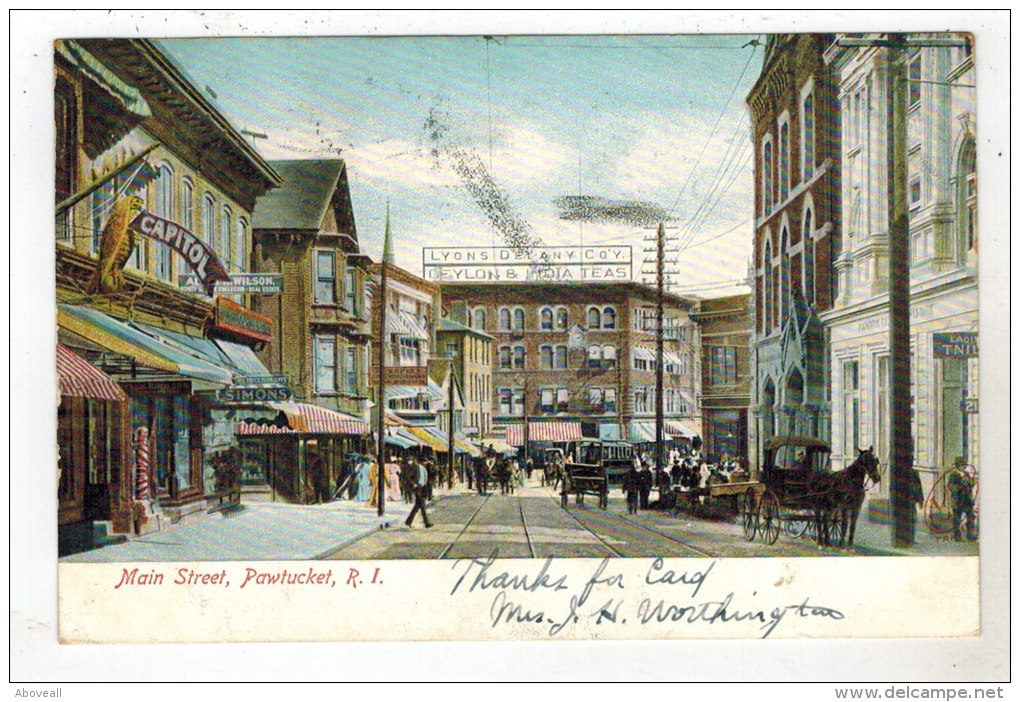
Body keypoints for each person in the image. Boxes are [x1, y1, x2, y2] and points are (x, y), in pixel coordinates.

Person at [946, 457, 976, 541]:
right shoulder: (953, 475)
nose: (965, 467)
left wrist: (969, 481)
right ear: (957, 466)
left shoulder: (967, 474)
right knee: (957, 519)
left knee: (971, 516)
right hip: (958, 500)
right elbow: (950, 486)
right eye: (963, 465)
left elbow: (972, 483)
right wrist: (960, 486)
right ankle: (957, 536)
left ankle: (970, 535)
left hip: (968, 500)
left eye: (965, 465)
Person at [405, 458, 433, 529]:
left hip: (423, 487)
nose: (426, 463)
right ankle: (427, 523)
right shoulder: (415, 468)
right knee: (422, 505)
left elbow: (425, 478)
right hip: (417, 487)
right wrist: (413, 483)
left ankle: (409, 521)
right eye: (425, 461)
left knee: (417, 506)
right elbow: (408, 476)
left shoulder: (424, 469)